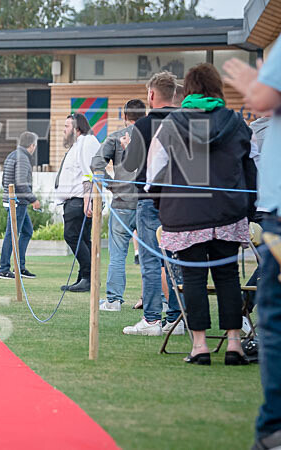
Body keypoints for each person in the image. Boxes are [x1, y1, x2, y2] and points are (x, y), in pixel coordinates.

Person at [147, 63, 255, 367]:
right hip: (228, 213)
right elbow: (252, 167)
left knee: (193, 278)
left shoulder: (170, 125)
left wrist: (162, 205)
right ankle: (234, 343)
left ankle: (200, 346)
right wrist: (248, 209)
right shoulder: (237, 123)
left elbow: (153, 176)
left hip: (184, 214)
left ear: (188, 90)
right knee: (228, 276)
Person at [223, 48, 281, 450]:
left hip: (273, 212)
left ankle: (274, 429)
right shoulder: (243, 130)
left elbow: (263, 98)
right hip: (251, 213)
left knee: (273, 315)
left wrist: (250, 81)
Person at [119, 72, 183, 335]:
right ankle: (177, 318)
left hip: (149, 200)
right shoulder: (186, 122)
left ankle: (152, 319)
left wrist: (126, 147)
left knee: (150, 259)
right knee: (175, 259)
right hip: (181, 201)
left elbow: (130, 165)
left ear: (152, 95)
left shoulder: (144, 125)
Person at [92, 99, 145, 311]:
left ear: (124, 116)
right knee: (151, 258)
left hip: (122, 201)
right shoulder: (152, 138)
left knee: (117, 255)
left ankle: (113, 300)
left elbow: (96, 163)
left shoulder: (115, 137)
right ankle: (154, 299)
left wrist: (110, 184)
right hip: (146, 202)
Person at [54, 113, 100, 292]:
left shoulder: (86, 142)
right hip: (75, 201)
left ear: (77, 128)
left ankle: (89, 277)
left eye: (67, 127)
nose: (64, 131)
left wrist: (88, 199)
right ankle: (84, 277)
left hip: (80, 201)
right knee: (82, 239)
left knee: (72, 236)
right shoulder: (79, 144)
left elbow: (89, 173)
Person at [0, 131, 39, 280]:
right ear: (32, 145)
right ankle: (3, 269)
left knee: (27, 231)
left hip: (13, 200)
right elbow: (21, 183)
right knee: (12, 234)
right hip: (18, 201)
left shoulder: (12, 155)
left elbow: (4, 180)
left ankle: (19, 267)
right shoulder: (23, 158)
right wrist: (33, 199)